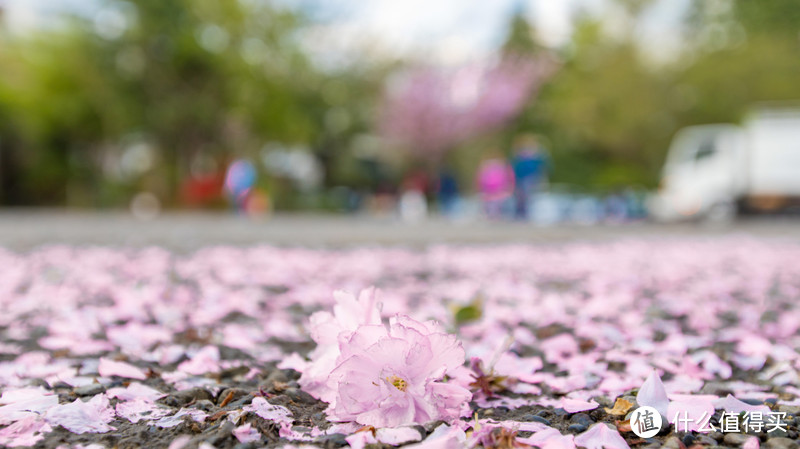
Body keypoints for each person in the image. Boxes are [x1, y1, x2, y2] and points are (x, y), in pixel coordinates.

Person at [511, 134, 549, 220]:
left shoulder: (536, 156)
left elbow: (543, 167)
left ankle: (525, 214)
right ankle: (520, 213)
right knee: (521, 196)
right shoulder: (520, 156)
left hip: (531, 178)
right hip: (520, 179)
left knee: (528, 196)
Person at [476, 150, 514, 220]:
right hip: (497, 188)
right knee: (495, 203)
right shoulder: (502, 166)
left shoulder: (486, 166)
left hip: (492, 189)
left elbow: (480, 178)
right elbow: (509, 177)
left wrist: (481, 188)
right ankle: (495, 215)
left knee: (493, 203)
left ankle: (493, 215)